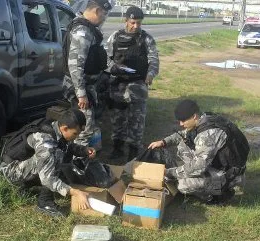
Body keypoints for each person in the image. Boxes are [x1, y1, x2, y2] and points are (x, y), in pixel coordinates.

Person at [148, 100, 249, 204]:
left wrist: (170, 173)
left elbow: (199, 167)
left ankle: (218, 196)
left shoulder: (207, 135)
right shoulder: (204, 119)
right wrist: (163, 142)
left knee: (182, 185)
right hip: (219, 164)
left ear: (194, 116)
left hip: (227, 175)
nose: (181, 124)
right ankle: (198, 177)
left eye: (183, 120)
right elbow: (184, 134)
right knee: (183, 145)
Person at [0, 109, 96, 217]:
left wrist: (84, 150)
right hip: (10, 172)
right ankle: (45, 203)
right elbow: (48, 179)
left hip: (21, 165)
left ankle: (26, 186)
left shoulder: (56, 128)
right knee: (54, 159)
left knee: (55, 157)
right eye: (75, 133)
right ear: (65, 128)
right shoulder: (46, 142)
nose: (77, 137)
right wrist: (76, 192)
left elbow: (65, 145)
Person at [107, 6, 159, 161]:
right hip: (118, 85)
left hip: (138, 86)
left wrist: (150, 74)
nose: (136, 26)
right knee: (118, 119)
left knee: (137, 121)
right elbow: (105, 59)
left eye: (139, 23)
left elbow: (154, 60)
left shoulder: (146, 39)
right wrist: (113, 68)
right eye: (133, 22)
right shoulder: (115, 37)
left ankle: (133, 151)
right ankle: (117, 149)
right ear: (126, 21)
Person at [63, 0, 112, 146]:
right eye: (104, 14)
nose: (104, 18)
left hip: (86, 86)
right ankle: (77, 162)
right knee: (84, 129)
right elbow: (75, 65)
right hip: (79, 89)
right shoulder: (82, 32)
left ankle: (79, 159)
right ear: (97, 11)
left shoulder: (88, 29)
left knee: (86, 125)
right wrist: (81, 94)